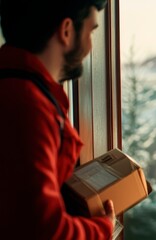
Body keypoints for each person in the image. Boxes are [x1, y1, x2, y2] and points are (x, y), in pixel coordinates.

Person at [0, 0, 116, 239]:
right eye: (91, 31)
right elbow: (43, 229)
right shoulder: (28, 105)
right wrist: (102, 228)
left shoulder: (18, 89)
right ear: (66, 31)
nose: (90, 45)